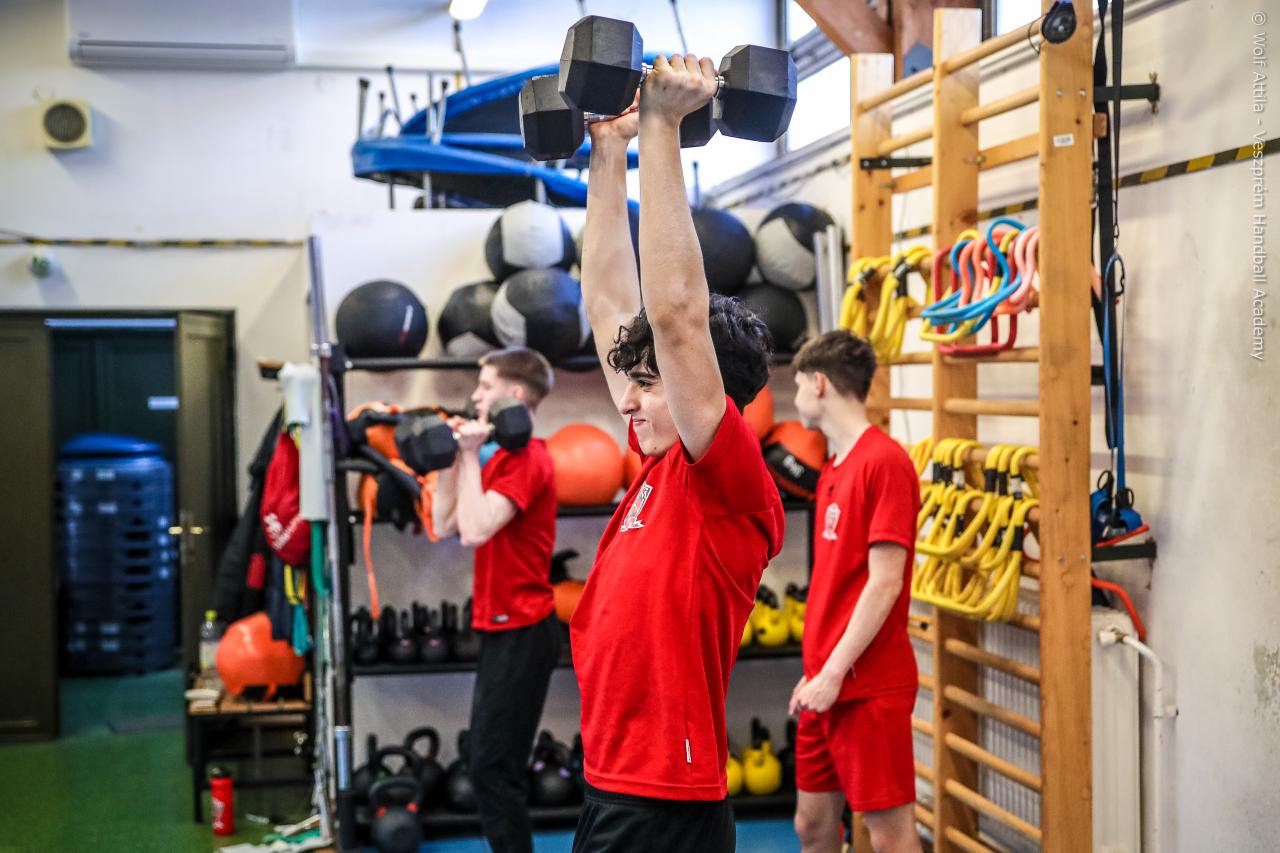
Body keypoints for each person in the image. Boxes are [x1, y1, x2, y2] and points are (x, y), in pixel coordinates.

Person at [568, 54, 786, 853]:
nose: (627, 401)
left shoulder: (724, 480)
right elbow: (609, 305)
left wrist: (662, 128)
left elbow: (677, 316)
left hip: (663, 802)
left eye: (650, 384)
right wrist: (608, 150)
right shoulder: (660, 464)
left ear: (704, 389)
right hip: (613, 783)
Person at [786, 330, 923, 853]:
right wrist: (818, 672)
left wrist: (834, 672)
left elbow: (885, 583)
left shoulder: (884, 462)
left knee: (890, 838)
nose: (796, 396)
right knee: (812, 826)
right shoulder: (833, 468)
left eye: (798, 384)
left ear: (819, 383)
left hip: (867, 687)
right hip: (826, 679)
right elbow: (838, 584)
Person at [431, 346, 560, 853]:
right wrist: (451, 459)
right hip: (502, 628)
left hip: (524, 630)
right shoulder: (501, 458)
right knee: (491, 764)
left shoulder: (530, 459)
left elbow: (476, 530)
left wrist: (468, 456)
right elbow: (444, 524)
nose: (475, 396)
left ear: (516, 395)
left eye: (485, 386)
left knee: (492, 768)